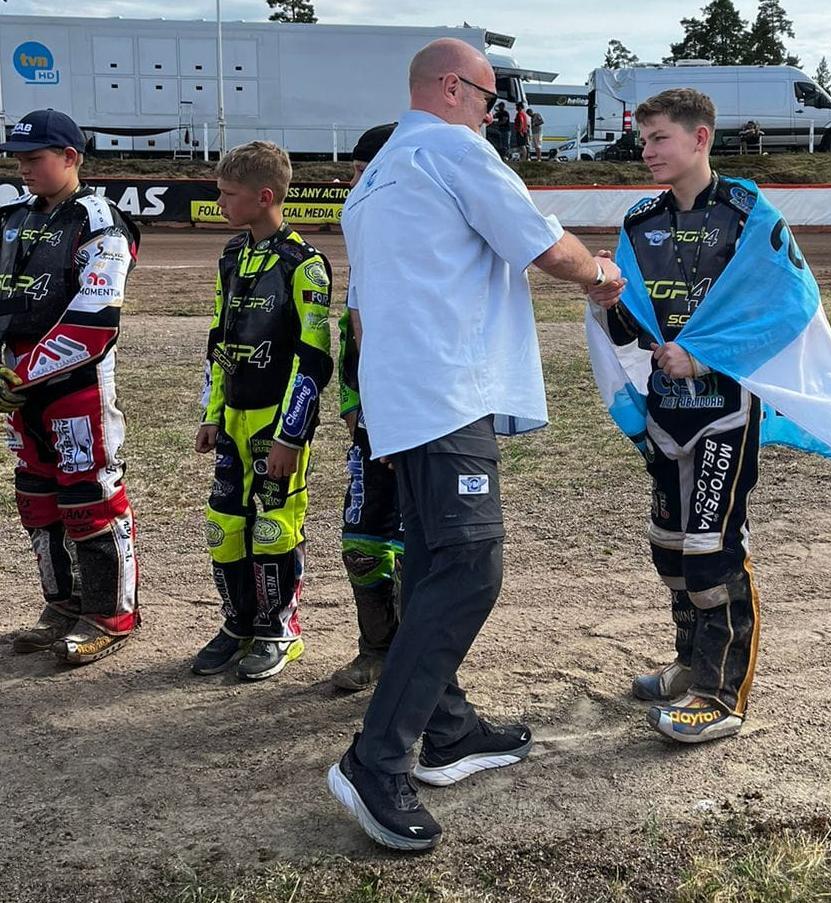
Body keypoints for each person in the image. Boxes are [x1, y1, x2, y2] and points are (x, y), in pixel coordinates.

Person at [326, 37, 624, 851]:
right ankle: (377, 758)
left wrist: (381, 408)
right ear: (455, 89)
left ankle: (449, 727)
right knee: (470, 567)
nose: (495, 116)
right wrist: (600, 274)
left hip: (403, 399)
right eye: (492, 101)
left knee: (432, 564)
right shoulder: (455, 151)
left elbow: (364, 310)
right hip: (448, 390)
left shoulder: (376, 177)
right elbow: (543, 245)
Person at [587, 89, 831, 746]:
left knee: (712, 550)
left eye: (659, 138)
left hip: (726, 413)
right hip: (665, 414)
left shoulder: (748, 216)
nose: (646, 151)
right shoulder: (639, 222)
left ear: (700, 138)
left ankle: (721, 695)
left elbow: (786, 308)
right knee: (670, 547)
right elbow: (631, 326)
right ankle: (691, 663)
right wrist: (605, 298)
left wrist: (702, 357)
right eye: (643, 139)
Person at [0, 109, 141, 665]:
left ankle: (110, 616)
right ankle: (61, 606)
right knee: (35, 497)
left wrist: (22, 372)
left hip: (76, 385)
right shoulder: (10, 217)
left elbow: (95, 320)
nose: (22, 167)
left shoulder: (100, 221)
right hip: (16, 388)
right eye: (17, 158)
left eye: (34, 158)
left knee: (90, 497)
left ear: (70, 157)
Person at [192, 141, 333, 681]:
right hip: (232, 418)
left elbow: (314, 359)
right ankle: (238, 625)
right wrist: (211, 413)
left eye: (228, 194)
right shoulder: (231, 256)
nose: (220, 203)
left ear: (265, 196)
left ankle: (279, 630)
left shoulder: (306, 265)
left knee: (273, 527)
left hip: (277, 423)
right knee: (224, 525)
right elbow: (218, 340)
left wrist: (290, 436)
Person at [331, 122, 404, 692]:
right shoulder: (364, 237)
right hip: (369, 424)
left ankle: (418, 661)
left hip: (418, 423)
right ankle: (374, 650)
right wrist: (352, 403)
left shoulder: (420, 240)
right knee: (361, 542)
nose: (356, 184)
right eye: (354, 173)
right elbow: (348, 334)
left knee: (416, 549)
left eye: (364, 173)